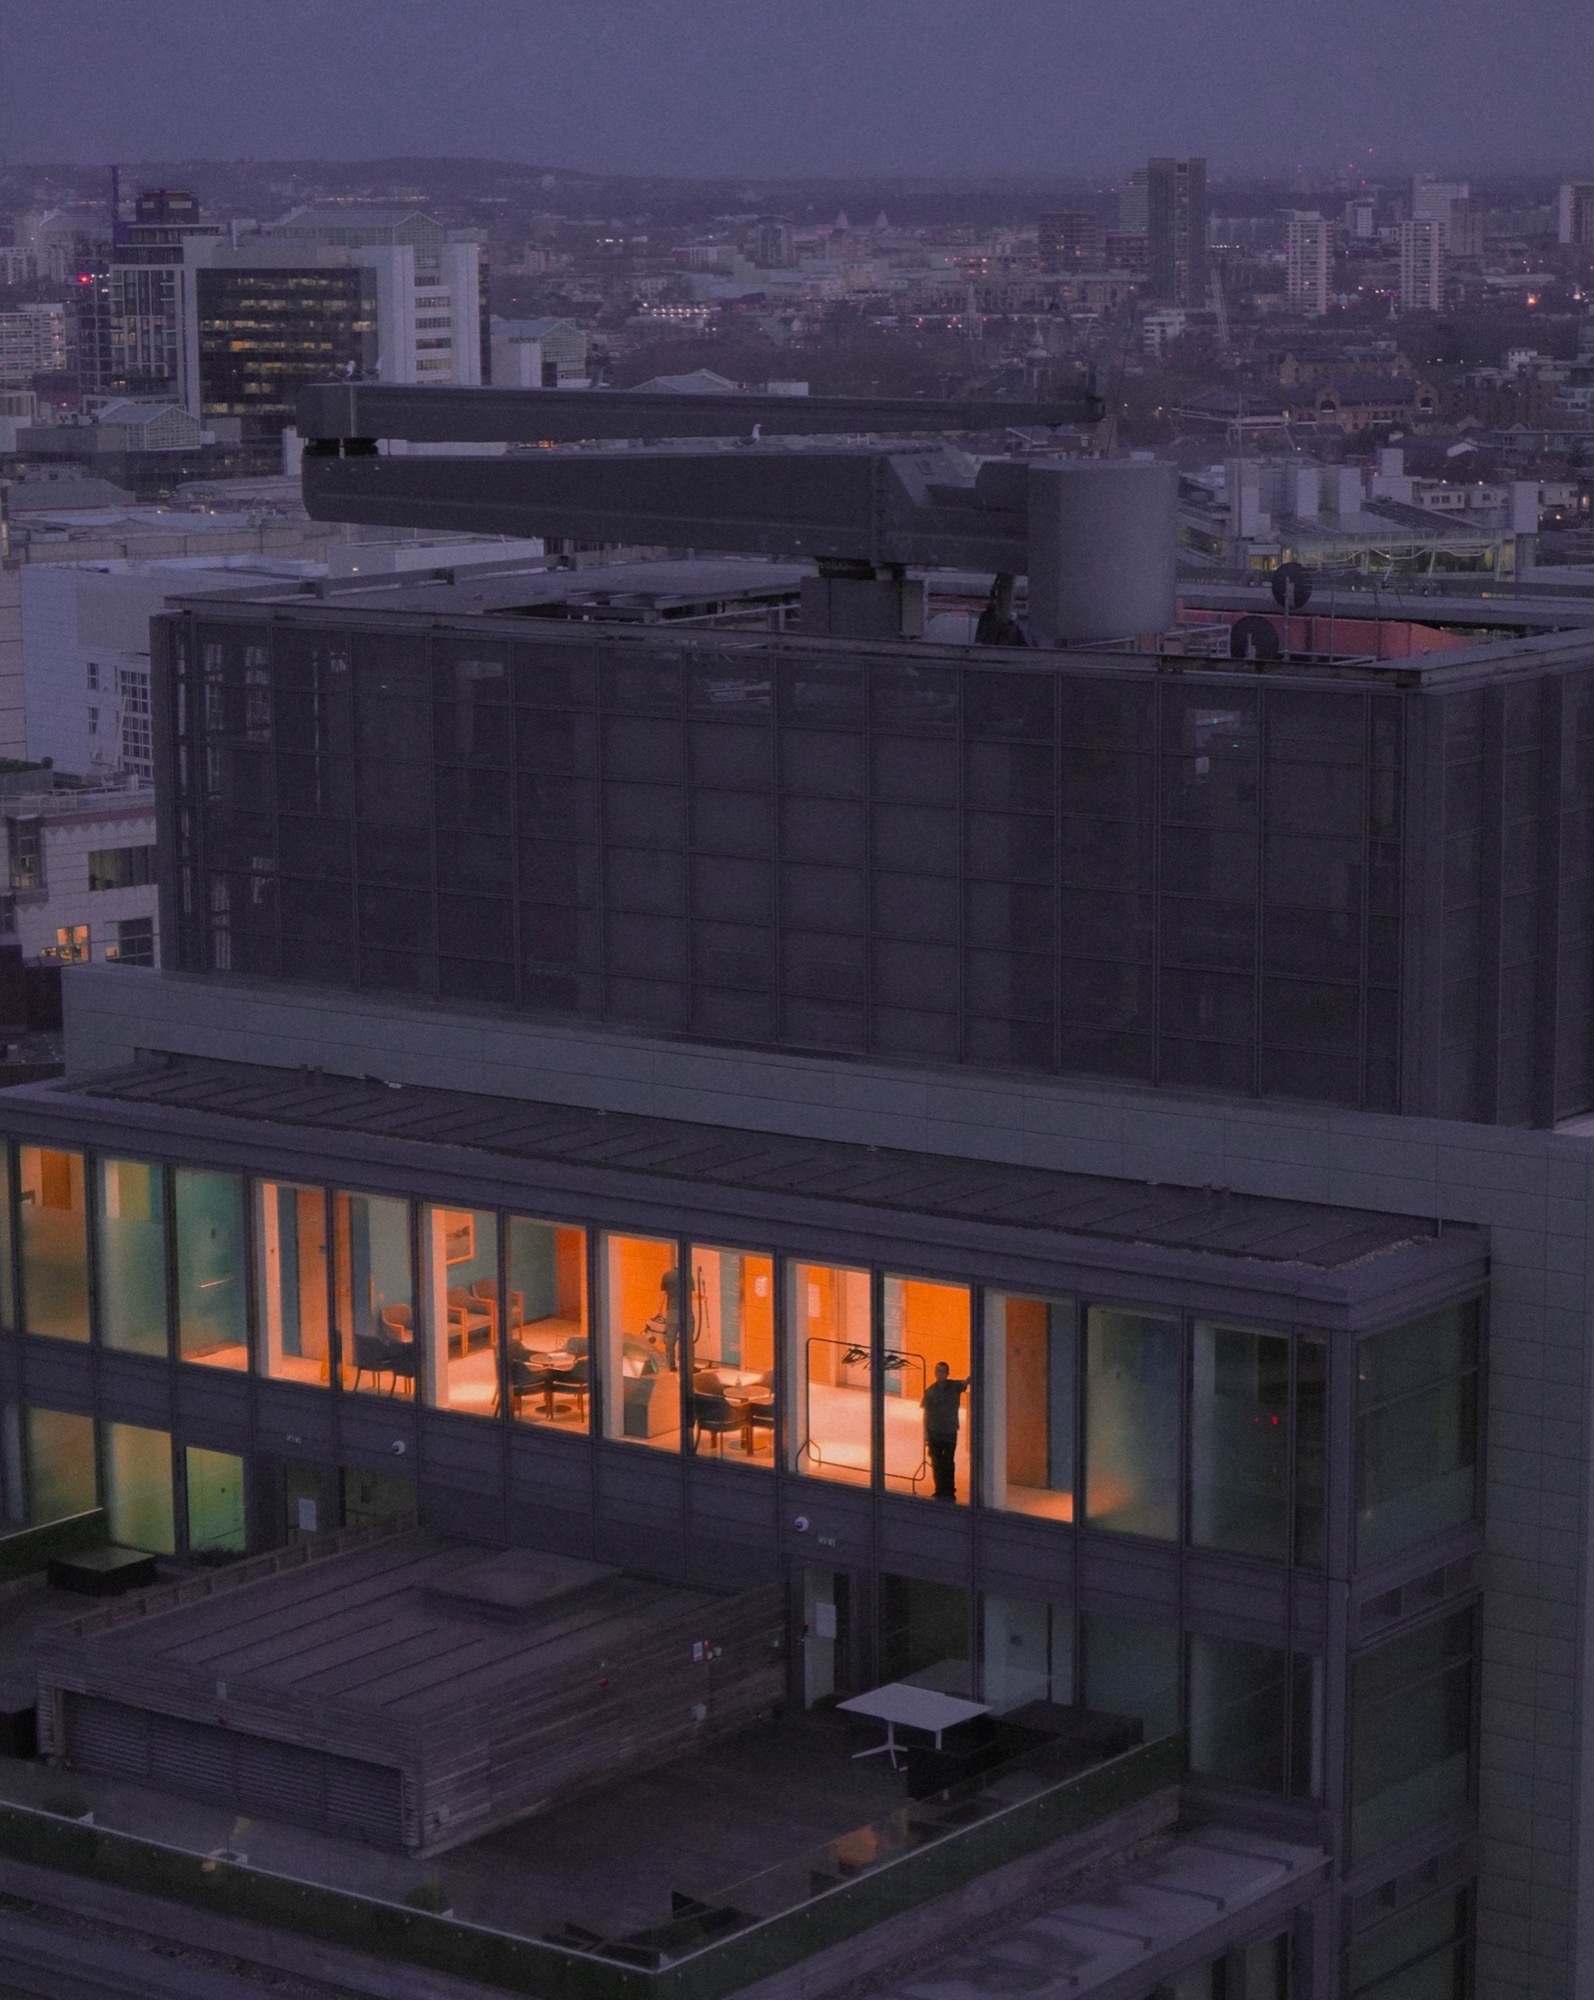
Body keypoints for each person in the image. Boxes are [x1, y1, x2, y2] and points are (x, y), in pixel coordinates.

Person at [921, 1361, 970, 1502]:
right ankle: (939, 1489)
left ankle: (949, 1490)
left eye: (943, 1371)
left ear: (947, 1373)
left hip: (949, 1431)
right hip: (935, 1431)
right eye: (938, 1371)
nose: (940, 1374)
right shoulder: (930, 1391)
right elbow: (926, 1414)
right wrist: (926, 1433)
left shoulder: (954, 1386)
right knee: (937, 1462)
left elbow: (966, 1382)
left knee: (948, 1461)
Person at [658, 1265, 693, 1373]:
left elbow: (663, 1294)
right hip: (686, 1312)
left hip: (671, 1311)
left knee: (670, 1340)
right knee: (686, 1340)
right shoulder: (688, 1275)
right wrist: (703, 1297)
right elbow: (692, 1294)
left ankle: (671, 1366)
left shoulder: (667, 1276)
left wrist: (658, 1310)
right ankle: (686, 1366)